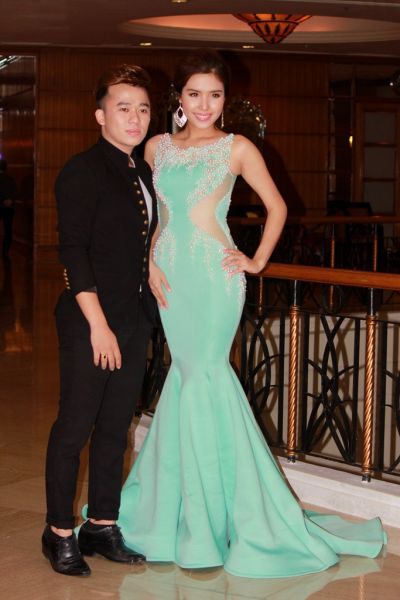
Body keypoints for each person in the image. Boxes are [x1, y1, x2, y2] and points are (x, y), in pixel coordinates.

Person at [116, 51, 386, 578]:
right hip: (170, 279)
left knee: (204, 377)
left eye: (215, 95)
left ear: (226, 99)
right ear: (179, 97)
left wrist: (256, 261)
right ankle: (180, 513)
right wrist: (147, 260)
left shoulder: (237, 147)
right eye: (195, 94)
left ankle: (211, 523)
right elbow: (150, 214)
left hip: (214, 280)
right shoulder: (155, 147)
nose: (204, 105)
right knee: (186, 381)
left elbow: (278, 207)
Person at [42, 64, 158, 577]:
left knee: (115, 427)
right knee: (75, 426)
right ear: (100, 115)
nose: (135, 118)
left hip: (134, 317)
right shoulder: (82, 170)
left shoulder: (143, 172)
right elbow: (74, 252)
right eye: (123, 108)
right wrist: (99, 324)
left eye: (143, 109)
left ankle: (102, 524)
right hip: (89, 320)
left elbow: (143, 240)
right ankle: (58, 531)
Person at [0, 158, 17, 256]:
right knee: (8, 230)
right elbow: (16, 192)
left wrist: (2, 200)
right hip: (9, 208)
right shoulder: (11, 179)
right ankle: (5, 251)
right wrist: (10, 200)